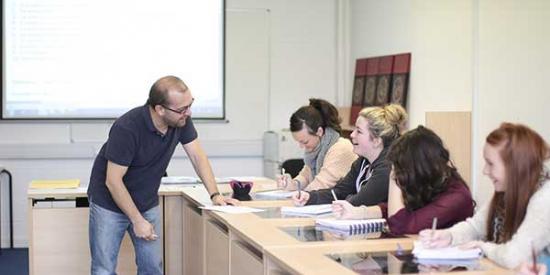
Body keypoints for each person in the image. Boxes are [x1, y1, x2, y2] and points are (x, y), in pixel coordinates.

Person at [87, 76, 236, 275]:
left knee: (152, 267)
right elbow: (113, 181)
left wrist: (215, 195)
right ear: (159, 109)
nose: (188, 113)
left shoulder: (181, 121)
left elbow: (197, 156)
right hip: (109, 203)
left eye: (190, 105)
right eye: (182, 109)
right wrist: (137, 220)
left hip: (145, 200)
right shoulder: (128, 127)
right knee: (103, 269)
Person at [419, 123, 550, 269]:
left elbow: (513, 257)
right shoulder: (508, 192)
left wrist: (483, 247)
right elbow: (475, 227)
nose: (485, 171)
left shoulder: (545, 198)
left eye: (490, 163)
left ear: (515, 166)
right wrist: (448, 236)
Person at [332, 126, 475, 235]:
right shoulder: (432, 181)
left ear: (419, 166)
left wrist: (394, 177)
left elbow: (398, 224)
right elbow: (394, 209)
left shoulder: (456, 197)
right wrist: (357, 213)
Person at [292, 104, 408, 206]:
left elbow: (361, 201)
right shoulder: (363, 162)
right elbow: (339, 192)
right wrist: (310, 197)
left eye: (359, 131)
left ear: (377, 140)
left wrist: (346, 199)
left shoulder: (387, 167)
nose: (352, 135)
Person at [277, 98, 357, 191]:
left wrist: (298, 194)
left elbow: (321, 185)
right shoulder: (317, 149)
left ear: (319, 131)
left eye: (305, 142)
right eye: (298, 142)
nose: (301, 146)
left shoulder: (341, 148)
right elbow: (305, 176)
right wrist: (293, 184)